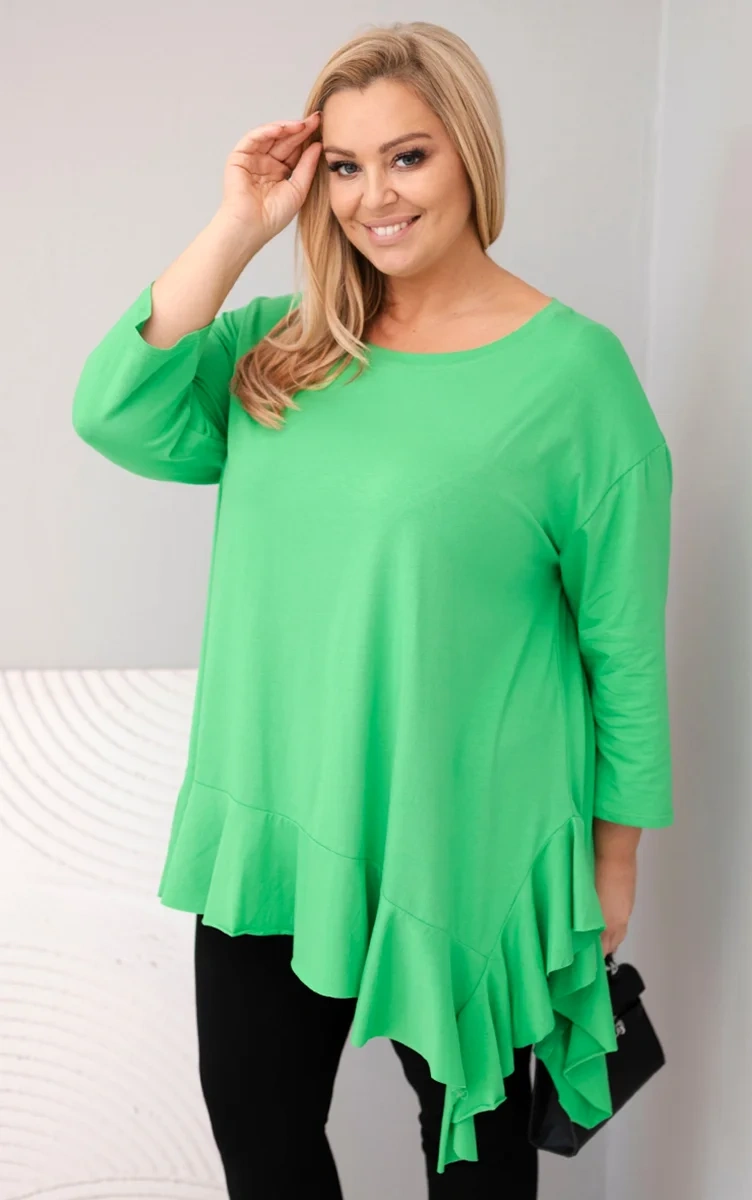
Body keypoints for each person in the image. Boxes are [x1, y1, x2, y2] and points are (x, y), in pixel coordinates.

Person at [71, 19, 674, 1200]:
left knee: (477, 1171)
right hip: (276, 824)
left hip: (468, 839)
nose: (372, 197)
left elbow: (623, 646)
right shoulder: (282, 349)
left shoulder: (574, 377)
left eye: (407, 157)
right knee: (264, 1151)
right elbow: (113, 409)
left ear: (469, 154)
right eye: (343, 166)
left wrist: (613, 859)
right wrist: (239, 224)